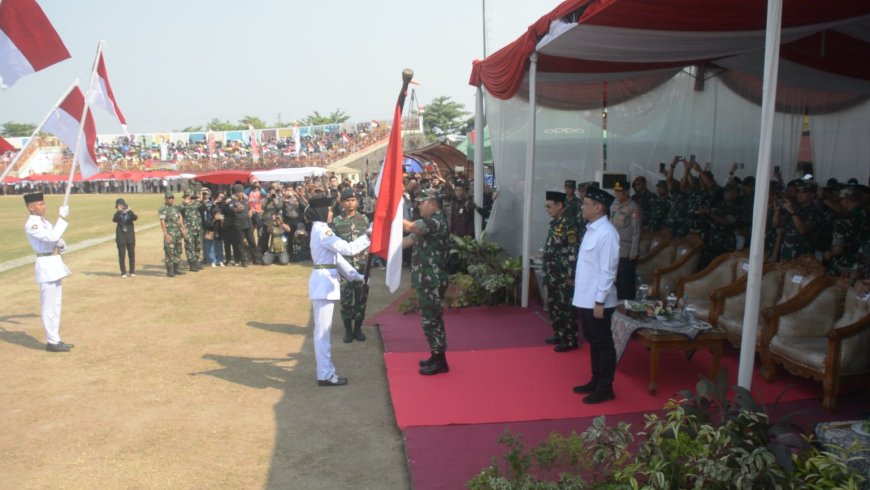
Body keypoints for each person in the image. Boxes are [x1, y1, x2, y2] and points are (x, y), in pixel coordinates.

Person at [307, 196, 370, 387]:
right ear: (321, 211)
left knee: (322, 332)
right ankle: (325, 374)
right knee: (322, 332)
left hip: (324, 282)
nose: (332, 212)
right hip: (323, 284)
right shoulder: (322, 230)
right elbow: (348, 249)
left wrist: (355, 276)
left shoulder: (320, 229)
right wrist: (369, 236)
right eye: (330, 209)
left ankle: (325, 372)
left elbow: (336, 258)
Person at [571, 186, 620, 404]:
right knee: (593, 340)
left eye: (586, 204)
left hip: (598, 301)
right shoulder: (592, 229)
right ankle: (595, 378)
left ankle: (605, 387)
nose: (582, 207)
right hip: (585, 298)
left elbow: (608, 270)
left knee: (603, 343)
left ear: (599, 208)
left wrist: (600, 300)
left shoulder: (607, 233)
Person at [402, 189, 451, 375]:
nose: (419, 205)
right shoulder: (429, 225)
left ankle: (440, 361)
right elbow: (409, 239)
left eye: (423, 202)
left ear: (433, 204)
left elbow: (411, 228)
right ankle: (436, 355)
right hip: (426, 280)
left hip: (433, 280)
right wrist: (386, 249)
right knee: (429, 319)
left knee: (432, 320)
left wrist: (392, 217)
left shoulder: (435, 222)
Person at [23, 193, 73, 352]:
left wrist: (62, 244)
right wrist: (62, 218)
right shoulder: (32, 224)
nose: (43, 207)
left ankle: (55, 338)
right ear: (31, 207)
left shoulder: (44, 222)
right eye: (40, 204)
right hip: (45, 264)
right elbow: (51, 236)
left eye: (44, 204)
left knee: (56, 304)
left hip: (54, 262)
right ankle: (52, 341)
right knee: (48, 305)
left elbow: (56, 239)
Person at [542, 190, 580, 352]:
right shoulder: (555, 222)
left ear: (560, 205)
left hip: (564, 274)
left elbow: (573, 251)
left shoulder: (569, 223)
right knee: (554, 304)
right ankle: (559, 333)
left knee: (566, 307)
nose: (547, 209)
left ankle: (570, 339)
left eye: (549, 206)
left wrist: (571, 275)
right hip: (553, 273)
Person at [331, 188, 370, 342]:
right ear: (342, 203)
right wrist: (336, 269)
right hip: (344, 268)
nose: (350, 203)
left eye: (353, 200)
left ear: (357, 202)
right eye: (347, 200)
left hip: (362, 267)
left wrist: (370, 266)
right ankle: (348, 330)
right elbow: (332, 246)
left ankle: (358, 329)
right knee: (346, 301)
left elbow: (370, 245)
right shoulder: (336, 222)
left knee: (361, 299)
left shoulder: (365, 220)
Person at [610, 180, 640, 299]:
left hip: (625, 250)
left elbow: (636, 230)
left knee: (625, 280)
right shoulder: (615, 204)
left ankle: (627, 305)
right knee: (615, 280)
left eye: (620, 191)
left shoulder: (633, 207)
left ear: (627, 191)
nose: (617, 194)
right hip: (614, 247)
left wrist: (633, 251)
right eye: (616, 191)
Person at [158, 190, 187, 277]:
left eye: (172, 198)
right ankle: (169, 270)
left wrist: (183, 228)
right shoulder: (163, 209)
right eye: (169, 198)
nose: (171, 200)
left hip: (177, 232)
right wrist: (165, 234)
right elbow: (162, 222)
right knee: (169, 251)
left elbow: (180, 218)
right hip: (170, 232)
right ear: (166, 199)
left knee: (178, 251)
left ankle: (176, 268)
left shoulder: (176, 208)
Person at [112, 198, 137, 278]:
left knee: (131, 254)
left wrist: (129, 210)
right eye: (119, 206)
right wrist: (119, 211)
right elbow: (114, 219)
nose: (121, 207)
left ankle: (132, 271)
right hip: (121, 237)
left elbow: (135, 217)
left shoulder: (129, 213)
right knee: (122, 255)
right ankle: (123, 272)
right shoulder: (117, 214)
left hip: (130, 236)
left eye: (122, 205)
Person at [179, 190, 203, 272]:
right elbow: (177, 212)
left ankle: (196, 262)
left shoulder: (196, 204)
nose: (191, 199)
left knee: (197, 246)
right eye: (190, 197)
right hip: (188, 229)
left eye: (192, 197)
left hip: (197, 228)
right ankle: (192, 264)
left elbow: (203, 207)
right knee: (190, 246)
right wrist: (185, 203)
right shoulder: (182, 205)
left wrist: (201, 199)